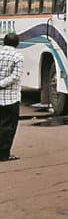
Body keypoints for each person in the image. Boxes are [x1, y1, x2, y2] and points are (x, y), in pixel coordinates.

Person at [0, 32, 23, 162]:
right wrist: (2, 84)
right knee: (8, 127)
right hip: (11, 98)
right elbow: (15, 76)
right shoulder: (18, 57)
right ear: (17, 44)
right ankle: (4, 154)